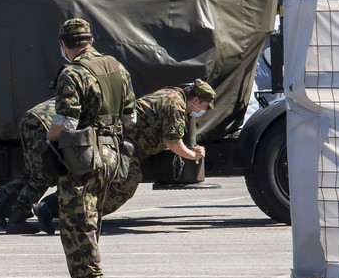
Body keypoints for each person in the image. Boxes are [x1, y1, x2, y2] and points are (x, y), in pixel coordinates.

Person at [32, 79, 217, 233]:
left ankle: (54, 209)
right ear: (196, 99)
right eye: (204, 106)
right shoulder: (176, 105)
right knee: (123, 185)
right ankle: (67, 213)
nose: (202, 111)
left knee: (104, 183)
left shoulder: (173, 94)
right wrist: (193, 155)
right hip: (123, 144)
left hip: (122, 142)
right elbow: (173, 143)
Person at [47, 17, 135, 278]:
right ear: (90, 40)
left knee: (77, 227)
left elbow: (66, 123)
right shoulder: (117, 68)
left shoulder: (73, 74)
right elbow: (130, 118)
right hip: (113, 156)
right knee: (92, 222)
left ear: (63, 45)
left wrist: (49, 140)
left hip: (85, 158)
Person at [0, 98, 57, 234]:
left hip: (33, 118)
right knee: (42, 177)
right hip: (44, 123)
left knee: (31, 174)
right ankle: (17, 219)